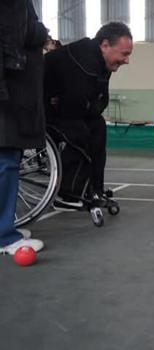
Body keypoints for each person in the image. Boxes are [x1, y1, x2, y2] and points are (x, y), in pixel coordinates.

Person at [44, 22, 133, 208]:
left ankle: (94, 189)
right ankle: (67, 194)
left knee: (98, 126)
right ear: (105, 45)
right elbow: (75, 107)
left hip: (64, 107)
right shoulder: (84, 60)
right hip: (38, 108)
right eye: (124, 54)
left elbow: (101, 102)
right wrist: (84, 105)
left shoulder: (102, 62)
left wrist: (88, 106)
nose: (127, 61)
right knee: (78, 131)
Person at [0, 0, 48, 255]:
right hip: (9, 93)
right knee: (5, 161)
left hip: (13, 89)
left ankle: (5, 228)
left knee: (9, 159)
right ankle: (4, 236)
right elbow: (23, 30)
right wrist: (41, 33)